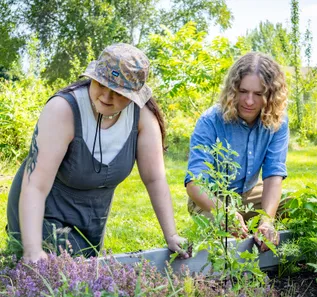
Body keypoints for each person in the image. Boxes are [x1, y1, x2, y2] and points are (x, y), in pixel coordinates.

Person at [7, 43, 188, 262]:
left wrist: (171, 235)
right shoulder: (63, 110)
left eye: (118, 92)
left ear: (133, 95)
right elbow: (36, 185)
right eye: (101, 84)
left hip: (92, 216)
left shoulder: (142, 117)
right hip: (42, 208)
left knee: (86, 273)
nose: (106, 96)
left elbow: (155, 179)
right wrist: (32, 250)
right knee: (53, 273)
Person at [185, 52, 289, 252]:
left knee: (296, 209)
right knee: (223, 234)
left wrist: (267, 221)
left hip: (251, 192)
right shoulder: (210, 121)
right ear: (233, 89)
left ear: (271, 95)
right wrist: (225, 214)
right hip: (212, 197)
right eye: (243, 91)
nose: (249, 101)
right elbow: (195, 183)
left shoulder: (277, 122)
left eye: (259, 94)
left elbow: (273, 175)